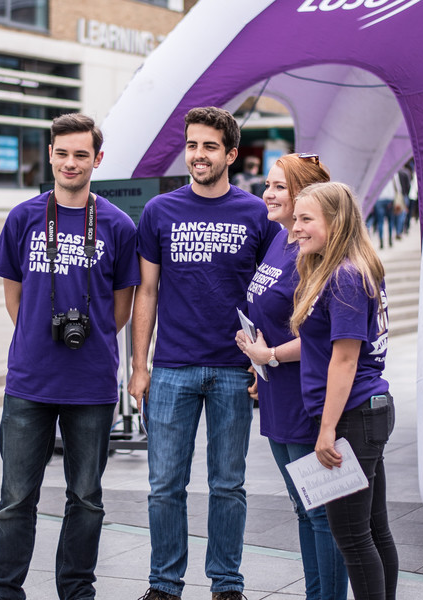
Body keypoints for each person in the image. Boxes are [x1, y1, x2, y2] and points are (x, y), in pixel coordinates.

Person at [0, 113, 140, 600]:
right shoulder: (23, 217)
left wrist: (87, 340)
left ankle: (77, 591)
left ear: (97, 159)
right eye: (62, 153)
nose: (70, 163)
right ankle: (4, 591)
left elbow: (121, 308)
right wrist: (36, 334)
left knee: (87, 498)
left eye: (80, 155)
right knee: (15, 499)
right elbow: (15, 297)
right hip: (29, 381)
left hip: (91, 382)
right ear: (50, 154)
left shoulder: (118, 225)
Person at [128, 106, 281, 600]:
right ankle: (164, 585)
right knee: (164, 486)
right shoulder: (159, 212)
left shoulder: (256, 213)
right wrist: (139, 366)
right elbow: (146, 292)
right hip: (172, 368)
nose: (198, 154)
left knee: (228, 485)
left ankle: (227, 584)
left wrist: (264, 362)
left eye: (210, 146)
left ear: (231, 154)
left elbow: (272, 293)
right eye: (192, 145)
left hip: (234, 370)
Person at [234, 153, 349, 600]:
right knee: (304, 510)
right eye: (268, 185)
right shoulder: (280, 240)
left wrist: (272, 355)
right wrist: (260, 362)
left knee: (322, 513)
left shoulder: (313, 253)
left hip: (305, 396)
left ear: (304, 194)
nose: (268, 193)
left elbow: (322, 336)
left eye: (279, 187)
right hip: (275, 390)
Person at [290, 181, 398, 600]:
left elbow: (346, 360)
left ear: (335, 224)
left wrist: (326, 429)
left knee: (352, 537)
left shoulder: (346, 277)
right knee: (373, 529)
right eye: (296, 219)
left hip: (354, 416)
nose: (295, 228)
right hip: (366, 412)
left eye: (306, 220)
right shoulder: (347, 268)